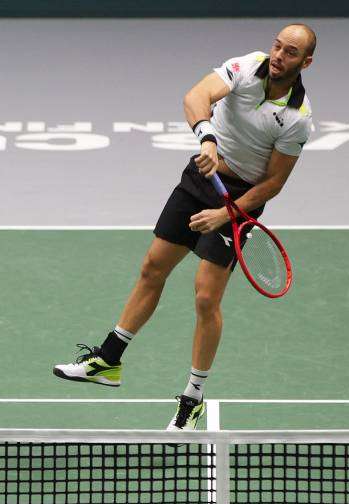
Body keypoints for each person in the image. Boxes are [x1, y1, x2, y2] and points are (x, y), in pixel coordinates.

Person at [53, 24, 316, 431]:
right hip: (201, 178)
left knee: (206, 299)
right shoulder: (247, 67)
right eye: (278, 46)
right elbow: (196, 96)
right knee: (152, 268)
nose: (279, 55)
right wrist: (207, 138)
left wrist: (226, 216)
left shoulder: (297, 118)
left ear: (306, 62)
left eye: (291, 52)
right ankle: (108, 359)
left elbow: (273, 184)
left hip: (239, 200)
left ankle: (192, 398)